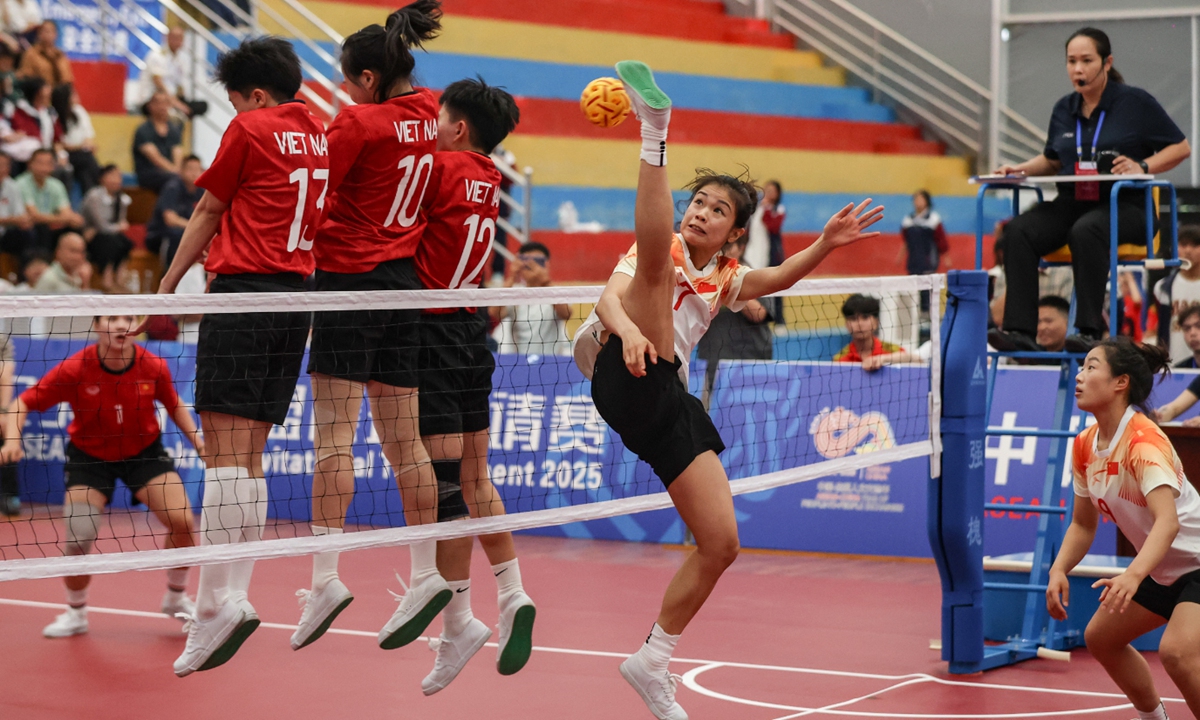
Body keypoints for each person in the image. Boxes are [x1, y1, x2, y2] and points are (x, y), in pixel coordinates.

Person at [571, 61, 881, 719]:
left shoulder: (731, 277)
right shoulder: (661, 249)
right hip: (624, 372)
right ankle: (654, 133)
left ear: (735, 231)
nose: (703, 212)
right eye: (697, 202)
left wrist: (826, 242)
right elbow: (605, 299)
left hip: (668, 396)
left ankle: (653, 658)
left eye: (717, 209)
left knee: (721, 542)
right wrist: (625, 333)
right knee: (659, 265)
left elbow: (780, 279)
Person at [150, 36, 328, 677]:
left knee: (225, 456)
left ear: (255, 95)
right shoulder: (320, 131)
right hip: (299, 300)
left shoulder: (251, 128)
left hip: (244, 295)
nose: (233, 112)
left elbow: (207, 207)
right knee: (246, 458)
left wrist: (166, 287)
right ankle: (233, 595)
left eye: (233, 101)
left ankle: (216, 603)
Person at [291, 0, 449, 656]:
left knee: (334, 436)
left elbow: (315, 198)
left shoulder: (357, 123)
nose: (338, 87)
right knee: (405, 443)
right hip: (404, 286)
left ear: (363, 79)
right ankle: (425, 573)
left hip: (349, 282)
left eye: (342, 76)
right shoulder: (434, 112)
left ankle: (325, 577)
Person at [413, 76, 536, 694]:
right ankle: (511, 593)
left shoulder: (441, 169)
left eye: (436, 119)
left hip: (435, 333)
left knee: (442, 489)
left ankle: (458, 618)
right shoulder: (491, 176)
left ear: (458, 129)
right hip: (472, 332)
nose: (428, 127)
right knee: (474, 477)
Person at [989, 27, 1190, 355]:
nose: (1078, 69)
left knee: (1087, 230)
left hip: (1126, 206)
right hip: (1073, 202)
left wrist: (1143, 167)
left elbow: (1181, 148)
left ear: (1107, 62)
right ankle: (1019, 330)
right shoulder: (1064, 109)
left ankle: (1088, 330)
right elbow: (1053, 160)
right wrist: (1019, 169)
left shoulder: (1134, 102)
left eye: (1086, 60)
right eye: (1071, 61)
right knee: (1019, 230)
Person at [0, 315, 203, 638]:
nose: (121, 325)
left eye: (128, 319)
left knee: (183, 522)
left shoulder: (153, 365)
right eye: (112, 319)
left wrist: (199, 443)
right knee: (78, 537)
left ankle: (176, 597)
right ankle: (75, 612)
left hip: (144, 454)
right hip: (90, 459)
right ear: (97, 326)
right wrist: (12, 440)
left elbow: (174, 404)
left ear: (137, 325)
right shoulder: (75, 368)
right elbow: (21, 404)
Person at [1048, 337, 1200, 720]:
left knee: (1178, 653)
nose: (1080, 376)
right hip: (1164, 568)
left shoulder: (1143, 443)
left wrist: (1133, 575)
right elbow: (1083, 524)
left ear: (1121, 383)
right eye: (1082, 367)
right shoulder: (1085, 445)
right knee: (1102, 638)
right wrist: (1058, 568)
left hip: (1197, 560)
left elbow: (1167, 522)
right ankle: (1154, 717)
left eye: (1091, 367)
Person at [695, 235, 771, 399]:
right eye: (719, 247)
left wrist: (731, 284)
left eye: (728, 247)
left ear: (742, 248)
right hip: (710, 366)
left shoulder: (755, 275)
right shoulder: (702, 277)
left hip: (748, 367)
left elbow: (759, 314)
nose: (722, 252)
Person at [494, 242, 570, 355]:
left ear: (547, 265)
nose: (533, 267)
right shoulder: (514, 293)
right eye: (527, 263)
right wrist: (512, 277)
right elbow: (495, 313)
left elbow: (566, 314)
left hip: (552, 361)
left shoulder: (556, 293)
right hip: (520, 362)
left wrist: (545, 281)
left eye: (538, 262)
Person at [17, 148, 82, 252]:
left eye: (48, 163)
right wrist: (63, 219)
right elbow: (34, 216)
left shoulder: (56, 185)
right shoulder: (21, 184)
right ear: (30, 164)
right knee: (40, 228)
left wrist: (68, 219)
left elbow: (67, 213)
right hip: (29, 228)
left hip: (52, 226)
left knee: (75, 227)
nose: (44, 167)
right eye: (40, 163)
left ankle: (72, 263)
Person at [79, 164, 132, 292]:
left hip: (108, 233)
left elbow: (121, 222)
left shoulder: (122, 198)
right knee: (110, 241)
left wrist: (118, 227)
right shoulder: (94, 196)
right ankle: (106, 279)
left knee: (126, 243)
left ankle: (119, 279)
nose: (116, 180)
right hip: (90, 235)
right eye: (112, 176)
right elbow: (100, 224)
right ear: (102, 178)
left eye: (118, 176)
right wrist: (118, 227)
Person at [147, 154, 204, 269]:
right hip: (160, 235)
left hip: (187, 233)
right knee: (177, 236)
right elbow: (170, 219)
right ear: (181, 171)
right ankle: (169, 276)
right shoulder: (172, 187)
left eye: (197, 169)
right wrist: (193, 227)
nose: (194, 173)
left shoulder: (202, 191)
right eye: (190, 169)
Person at [137, 27, 206, 118]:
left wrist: (181, 97)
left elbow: (178, 85)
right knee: (165, 102)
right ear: (168, 38)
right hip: (154, 99)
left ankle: (177, 110)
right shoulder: (157, 56)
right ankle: (175, 111)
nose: (178, 41)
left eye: (180, 38)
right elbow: (159, 85)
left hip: (171, 98)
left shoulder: (179, 59)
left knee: (203, 106)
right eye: (175, 38)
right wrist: (178, 104)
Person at [1154, 225, 1200, 361]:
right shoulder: (1162, 287)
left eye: (1195, 245)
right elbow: (1160, 328)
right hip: (1174, 362)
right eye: (1184, 245)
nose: (1188, 250)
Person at [51, 83, 99, 195]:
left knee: (85, 174)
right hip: (65, 154)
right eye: (73, 94)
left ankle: (90, 199)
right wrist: (80, 146)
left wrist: (88, 145)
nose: (76, 95)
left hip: (81, 153)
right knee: (87, 160)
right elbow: (59, 143)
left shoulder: (79, 111)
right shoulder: (55, 115)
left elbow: (88, 135)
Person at [133, 91, 184, 192]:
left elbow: (178, 153)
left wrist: (179, 171)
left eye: (165, 103)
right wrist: (175, 173)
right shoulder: (143, 130)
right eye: (158, 103)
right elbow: (156, 159)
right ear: (150, 106)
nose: (162, 107)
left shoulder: (174, 129)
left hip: (172, 173)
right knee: (176, 181)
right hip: (149, 174)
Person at [833, 293, 905, 364]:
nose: (859, 324)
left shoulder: (895, 352)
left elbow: (911, 360)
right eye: (853, 319)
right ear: (847, 324)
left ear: (876, 322)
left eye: (865, 317)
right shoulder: (840, 360)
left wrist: (885, 359)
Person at [16, 21, 71, 87]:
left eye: (51, 31)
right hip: (38, 91)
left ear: (56, 35)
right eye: (46, 31)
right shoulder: (31, 53)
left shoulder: (60, 55)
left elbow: (67, 79)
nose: (48, 34)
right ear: (39, 34)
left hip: (59, 93)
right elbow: (25, 76)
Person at [0, 151, 31, 259]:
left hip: (6, 232)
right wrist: (9, 220)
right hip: (6, 225)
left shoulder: (12, 185)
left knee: (27, 232)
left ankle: (23, 271)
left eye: (4, 165)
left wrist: (23, 220)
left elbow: (20, 214)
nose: (1, 168)